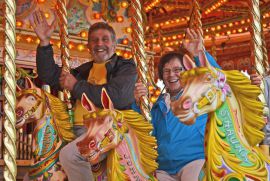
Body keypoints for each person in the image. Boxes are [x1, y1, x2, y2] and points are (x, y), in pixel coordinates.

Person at [29, 10, 137, 181]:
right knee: (38, 170)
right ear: (88, 47)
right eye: (94, 40)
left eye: (105, 39)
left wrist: (76, 86)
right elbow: (49, 75)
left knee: (70, 156)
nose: (99, 43)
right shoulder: (82, 72)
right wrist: (44, 43)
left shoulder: (125, 68)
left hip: (107, 131)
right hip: (75, 131)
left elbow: (117, 96)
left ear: (114, 45)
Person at [133, 28, 219, 181]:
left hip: (194, 160)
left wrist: (200, 54)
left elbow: (216, 79)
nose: (171, 75)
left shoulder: (198, 95)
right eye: (166, 71)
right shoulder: (158, 106)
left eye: (177, 70)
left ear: (187, 70)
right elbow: (145, 131)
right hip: (165, 168)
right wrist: (137, 103)